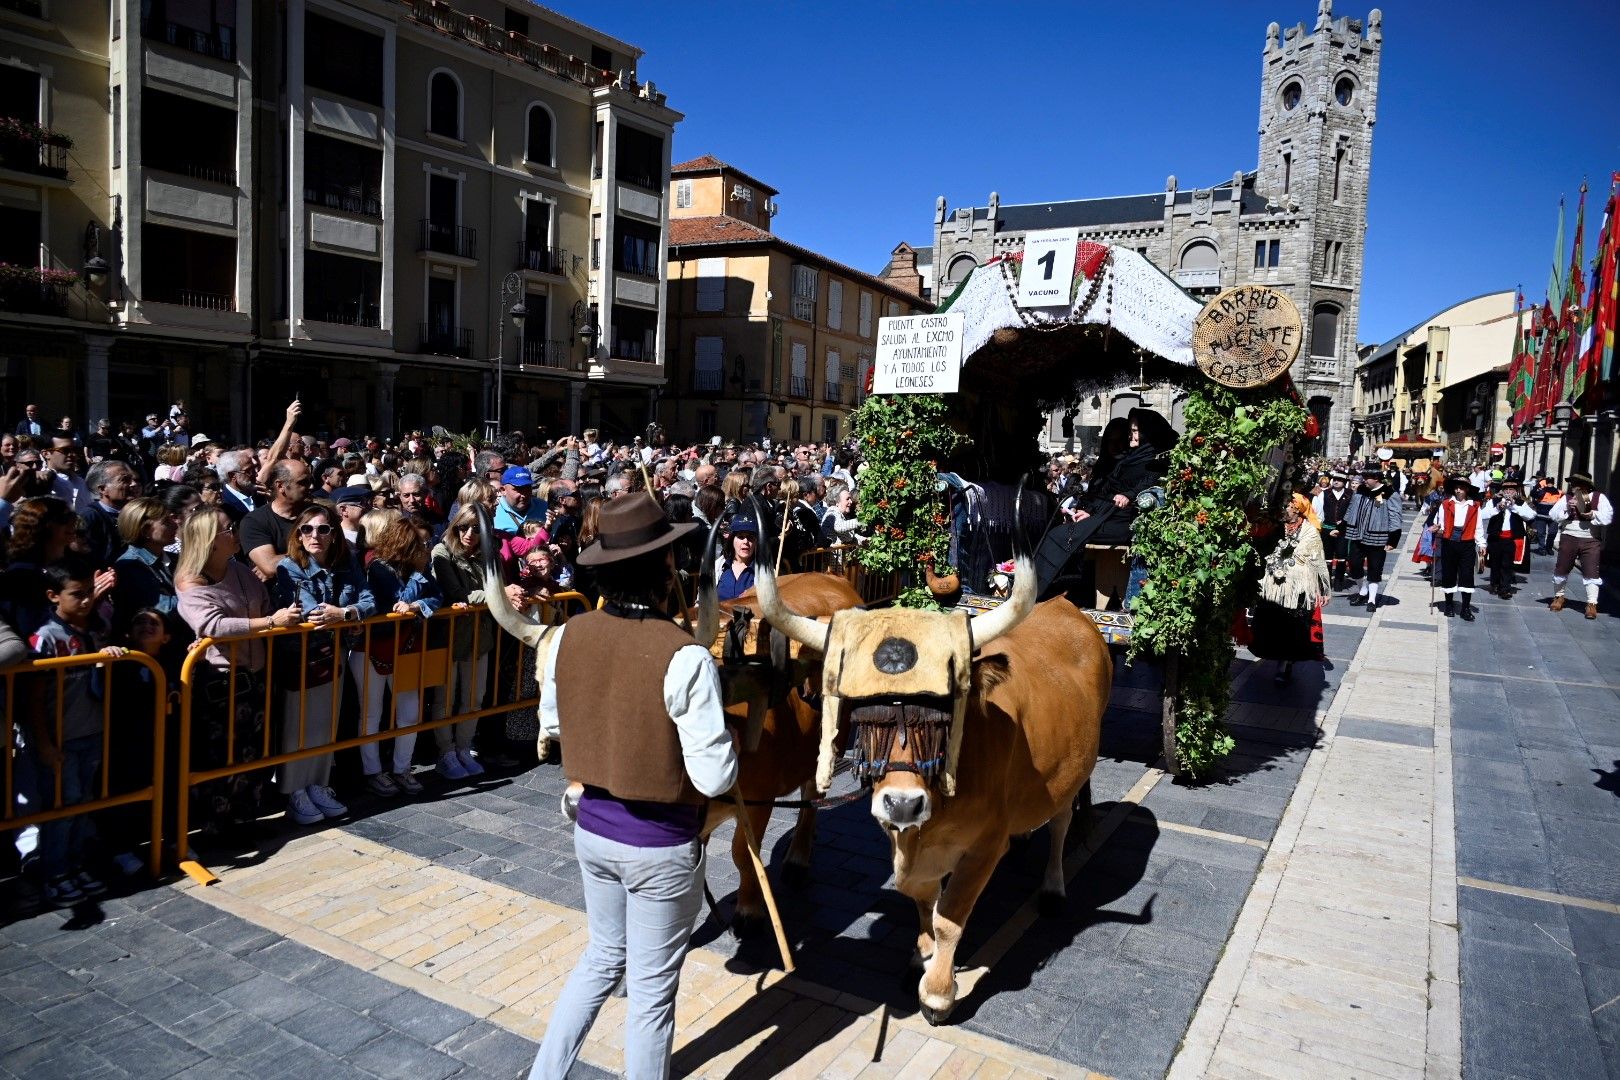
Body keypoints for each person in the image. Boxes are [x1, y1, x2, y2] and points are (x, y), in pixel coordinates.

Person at [528, 495, 737, 1080]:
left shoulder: (567, 637)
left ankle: (545, 1075)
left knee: (600, 958)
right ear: (666, 568)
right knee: (649, 994)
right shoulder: (686, 655)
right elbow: (714, 776)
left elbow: (553, 727)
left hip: (591, 829)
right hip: (661, 846)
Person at [175, 510, 303, 839]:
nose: (234, 533)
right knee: (222, 755)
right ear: (209, 541)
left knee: (254, 750)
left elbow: (260, 600)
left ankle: (247, 817)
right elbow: (213, 625)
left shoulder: (238, 569)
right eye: (226, 530)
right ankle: (215, 825)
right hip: (221, 680)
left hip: (257, 672)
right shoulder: (191, 579)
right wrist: (270, 622)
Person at [20, 558, 129, 905]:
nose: (84, 601)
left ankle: (76, 863)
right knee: (61, 808)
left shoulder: (94, 630)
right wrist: (45, 743)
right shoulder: (46, 638)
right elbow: (34, 699)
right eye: (76, 594)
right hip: (60, 738)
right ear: (54, 596)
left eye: (88, 594)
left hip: (91, 732)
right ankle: (56, 871)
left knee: (82, 804)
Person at [274, 505, 374, 825]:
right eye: (306, 530)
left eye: (323, 529)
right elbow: (312, 613)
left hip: (335, 653)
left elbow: (368, 601)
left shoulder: (346, 562)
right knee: (298, 723)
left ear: (334, 534)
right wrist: (347, 616)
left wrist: (347, 615)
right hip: (301, 655)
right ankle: (295, 791)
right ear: (298, 535)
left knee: (325, 721)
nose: (314, 536)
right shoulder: (289, 567)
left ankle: (318, 783)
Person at [353, 516, 443, 796]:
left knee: (409, 710)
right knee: (372, 712)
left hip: (406, 647)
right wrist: (416, 584)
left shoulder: (418, 569)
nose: (425, 548)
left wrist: (419, 604)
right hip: (373, 648)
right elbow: (395, 600)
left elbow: (436, 596)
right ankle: (373, 771)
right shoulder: (378, 568)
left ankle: (401, 768)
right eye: (419, 544)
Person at [429, 506, 494, 780]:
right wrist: (496, 594)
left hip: (479, 636)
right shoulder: (441, 553)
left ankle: (464, 748)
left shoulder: (487, 554)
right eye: (463, 527)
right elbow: (458, 593)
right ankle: (446, 751)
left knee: (474, 696)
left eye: (476, 528)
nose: (469, 534)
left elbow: (495, 582)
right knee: (445, 698)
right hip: (449, 636)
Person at [1250, 495, 1331, 685]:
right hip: (1273, 588)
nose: (1283, 509)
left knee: (1292, 629)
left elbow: (1318, 561)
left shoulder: (1310, 532)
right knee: (1273, 626)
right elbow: (1262, 550)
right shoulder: (1276, 528)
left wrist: (1324, 589)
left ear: (1297, 509)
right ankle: (1279, 658)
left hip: (1298, 590)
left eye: (1287, 506)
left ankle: (1284, 664)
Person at [1548, 472, 1611, 620]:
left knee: (1591, 571)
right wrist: (1566, 509)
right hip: (1569, 536)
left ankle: (1591, 604)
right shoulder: (1567, 497)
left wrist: (1592, 514)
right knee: (1562, 568)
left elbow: (1607, 517)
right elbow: (1553, 514)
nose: (1574, 486)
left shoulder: (1599, 497)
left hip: (1591, 539)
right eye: (1572, 483)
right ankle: (1559, 597)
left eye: (1577, 483)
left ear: (1586, 485)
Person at [239, 459, 312, 581]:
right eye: (302, 482)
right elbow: (270, 566)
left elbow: (339, 550)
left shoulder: (319, 514)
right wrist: (318, 551)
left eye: (310, 481)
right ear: (280, 486)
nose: (310, 486)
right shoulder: (255, 521)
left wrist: (286, 560)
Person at [1343, 467, 1404, 612]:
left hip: (1377, 536)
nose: (1364, 480)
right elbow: (1351, 508)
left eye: (1367, 477)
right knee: (1354, 563)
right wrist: (1343, 526)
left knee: (1375, 568)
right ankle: (1362, 590)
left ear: (1376, 479)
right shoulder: (1361, 490)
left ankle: (1371, 599)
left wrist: (1393, 540)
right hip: (1357, 534)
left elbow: (1395, 516)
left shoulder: (1388, 493)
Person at [1432, 476, 1483, 621]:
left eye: (1461, 487)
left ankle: (1465, 608)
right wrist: (1437, 528)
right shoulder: (1446, 504)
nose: (1458, 490)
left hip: (1467, 543)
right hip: (1449, 542)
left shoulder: (1475, 506)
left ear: (1467, 489)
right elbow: (1440, 522)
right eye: (1456, 487)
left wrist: (1481, 544)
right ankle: (1449, 605)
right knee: (1449, 574)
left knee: (1467, 575)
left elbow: (1478, 526)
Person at [1480, 479, 1535, 599]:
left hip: (1511, 538)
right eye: (1506, 490)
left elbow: (1531, 516)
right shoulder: (1493, 501)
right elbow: (1482, 515)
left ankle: (1505, 589)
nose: (1509, 492)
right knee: (1495, 563)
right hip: (1495, 537)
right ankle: (1495, 584)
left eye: (1511, 490)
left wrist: (1514, 506)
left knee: (1507, 564)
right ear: (1502, 491)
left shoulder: (1520, 503)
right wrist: (1497, 509)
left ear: (1516, 492)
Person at [1312, 471, 1354, 589]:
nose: (1336, 481)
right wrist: (1325, 529)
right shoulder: (1324, 494)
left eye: (1339, 480)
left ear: (1345, 482)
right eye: (1334, 479)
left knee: (1341, 556)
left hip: (1343, 530)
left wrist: (1345, 522)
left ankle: (1339, 581)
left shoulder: (1350, 494)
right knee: (1327, 556)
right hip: (1327, 528)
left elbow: (1353, 511)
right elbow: (1318, 513)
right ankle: (1326, 581)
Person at [716, 515, 759, 601]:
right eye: (741, 537)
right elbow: (702, 600)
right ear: (732, 540)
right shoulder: (717, 566)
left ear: (756, 543)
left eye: (750, 538)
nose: (746, 541)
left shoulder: (764, 571)